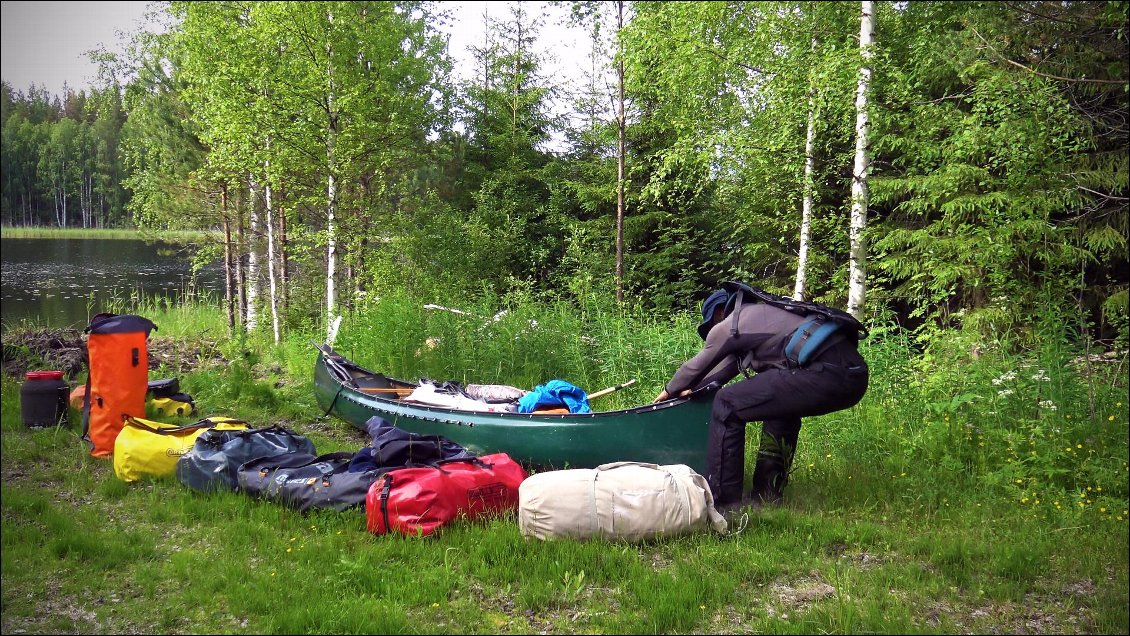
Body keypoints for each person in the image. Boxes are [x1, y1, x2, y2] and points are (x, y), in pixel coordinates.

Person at [654, 287, 869, 514]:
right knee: (780, 410)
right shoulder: (764, 316)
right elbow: (718, 374)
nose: (712, 331)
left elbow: (697, 365)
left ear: (719, 313)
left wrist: (668, 391)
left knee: (727, 404)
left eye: (711, 325)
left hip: (825, 372)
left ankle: (725, 503)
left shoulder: (732, 323)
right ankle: (767, 496)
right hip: (853, 377)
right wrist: (692, 390)